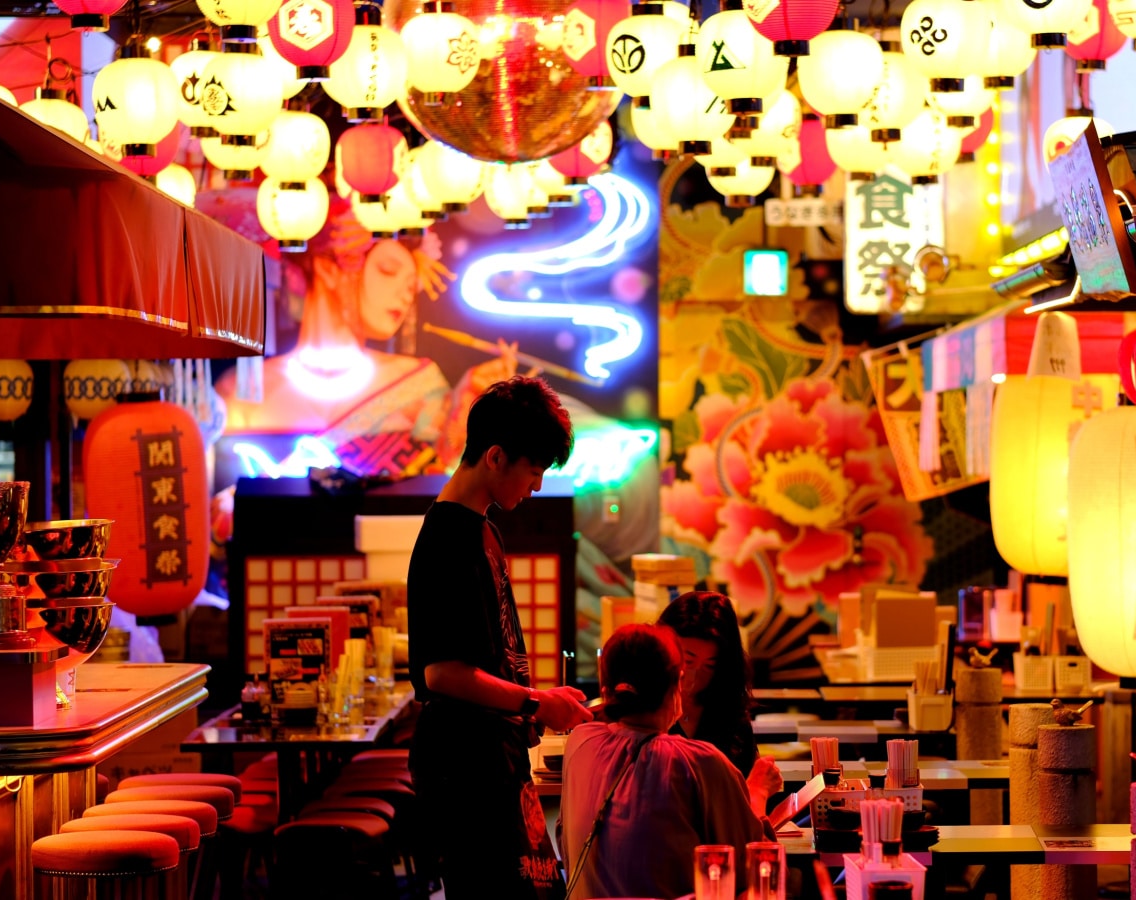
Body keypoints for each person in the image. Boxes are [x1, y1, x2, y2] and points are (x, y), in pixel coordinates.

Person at [407, 376, 593, 898]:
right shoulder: (448, 538)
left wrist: (538, 705)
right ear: (495, 457)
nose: (536, 486)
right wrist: (537, 703)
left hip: (494, 758)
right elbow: (442, 672)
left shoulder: (485, 529)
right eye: (533, 470)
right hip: (464, 768)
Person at [216, 200, 519, 477]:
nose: (404, 295)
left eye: (411, 286)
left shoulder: (418, 384)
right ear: (327, 268)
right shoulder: (241, 390)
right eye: (388, 270)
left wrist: (470, 401)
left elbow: (446, 478)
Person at [562, 624, 772, 900]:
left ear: (605, 688)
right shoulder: (699, 763)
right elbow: (756, 866)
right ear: (678, 685)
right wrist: (757, 793)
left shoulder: (579, 742)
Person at [659, 591, 783, 816]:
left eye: (709, 666)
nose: (694, 677)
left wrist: (758, 786)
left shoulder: (729, 714)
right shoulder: (646, 715)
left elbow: (745, 812)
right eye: (688, 661)